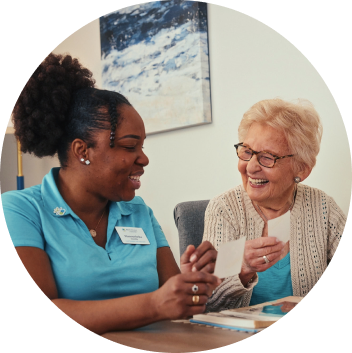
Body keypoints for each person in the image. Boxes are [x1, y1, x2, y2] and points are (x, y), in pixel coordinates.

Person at [1, 53, 220, 334]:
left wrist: (192, 283)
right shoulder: (20, 209)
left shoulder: (139, 212)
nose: (143, 159)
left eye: (142, 147)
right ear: (83, 151)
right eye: (130, 147)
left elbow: (176, 308)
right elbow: (36, 315)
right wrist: (153, 304)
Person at [203, 98, 346, 311]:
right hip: (238, 340)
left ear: (301, 169)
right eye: (247, 152)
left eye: (267, 157)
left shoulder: (323, 208)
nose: (250, 167)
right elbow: (206, 303)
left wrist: (315, 304)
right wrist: (242, 269)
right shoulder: (224, 209)